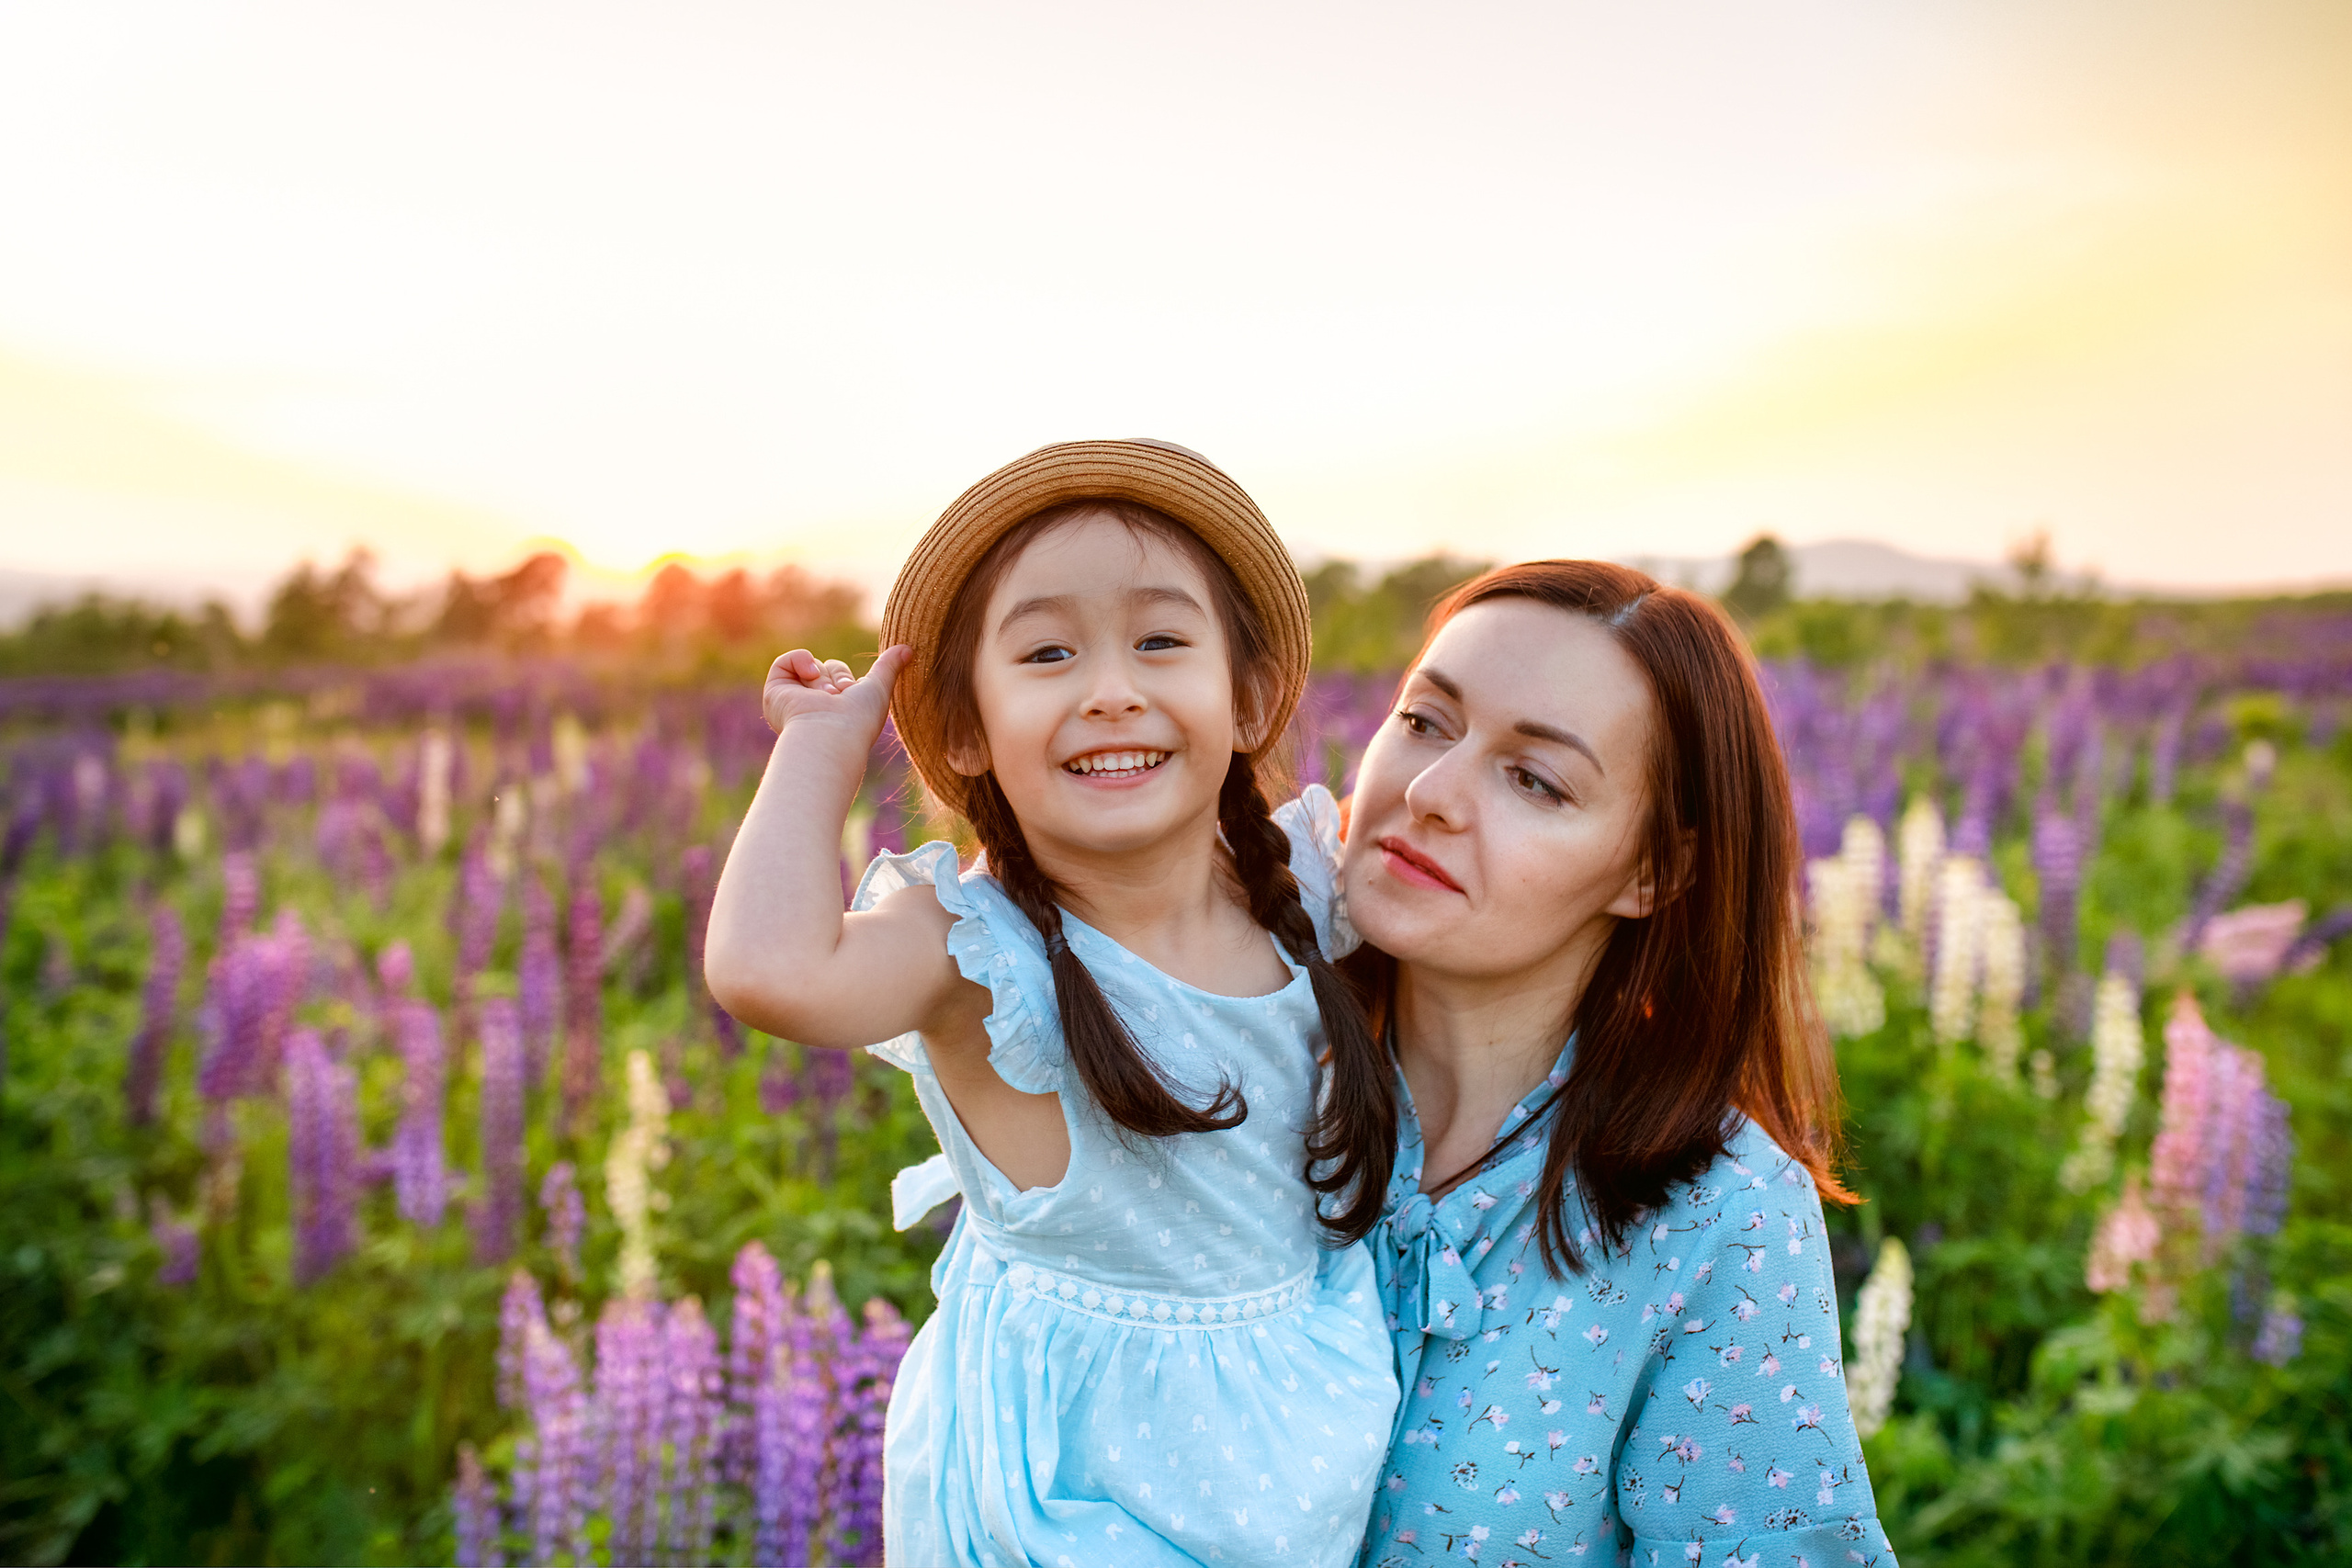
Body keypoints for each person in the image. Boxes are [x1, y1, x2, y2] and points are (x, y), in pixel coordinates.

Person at [705, 439, 1401, 1567]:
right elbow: (768, 972)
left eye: (1161, 641)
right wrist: (819, 752)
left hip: (1302, 1444)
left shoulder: (1308, 886)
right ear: (968, 728)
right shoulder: (980, 955)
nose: (1110, 690)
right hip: (1072, 1493)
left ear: (1251, 696)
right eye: (1046, 653)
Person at [1334, 561, 1899, 1566]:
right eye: (1425, 721)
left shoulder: (1716, 1216)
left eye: (1534, 780)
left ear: (1651, 871)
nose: (1428, 794)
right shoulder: (1228, 1068)